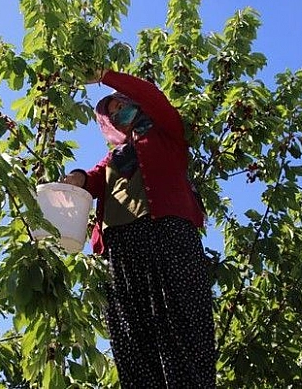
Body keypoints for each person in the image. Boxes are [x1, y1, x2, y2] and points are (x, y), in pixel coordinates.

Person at [61, 69, 216, 388]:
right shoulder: (112, 159)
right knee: (131, 336)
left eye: (121, 105)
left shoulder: (166, 134)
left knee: (182, 322)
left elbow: (153, 97)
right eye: (112, 114)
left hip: (168, 234)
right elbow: (90, 180)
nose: (119, 114)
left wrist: (105, 76)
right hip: (121, 247)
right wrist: (76, 178)